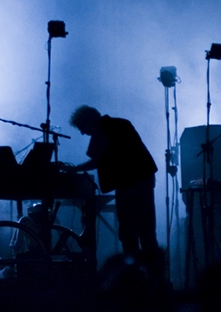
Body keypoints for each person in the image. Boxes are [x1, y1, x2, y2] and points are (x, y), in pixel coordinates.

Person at [65, 105, 160, 258]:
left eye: (82, 127)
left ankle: (134, 276)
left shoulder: (103, 129)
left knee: (129, 235)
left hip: (130, 184)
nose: (83, 133)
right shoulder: (121, 123)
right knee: (146, 232)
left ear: (89, 121)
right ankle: (155, 277)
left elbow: (96, 159)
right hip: (143, 179)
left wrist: (74, 169)